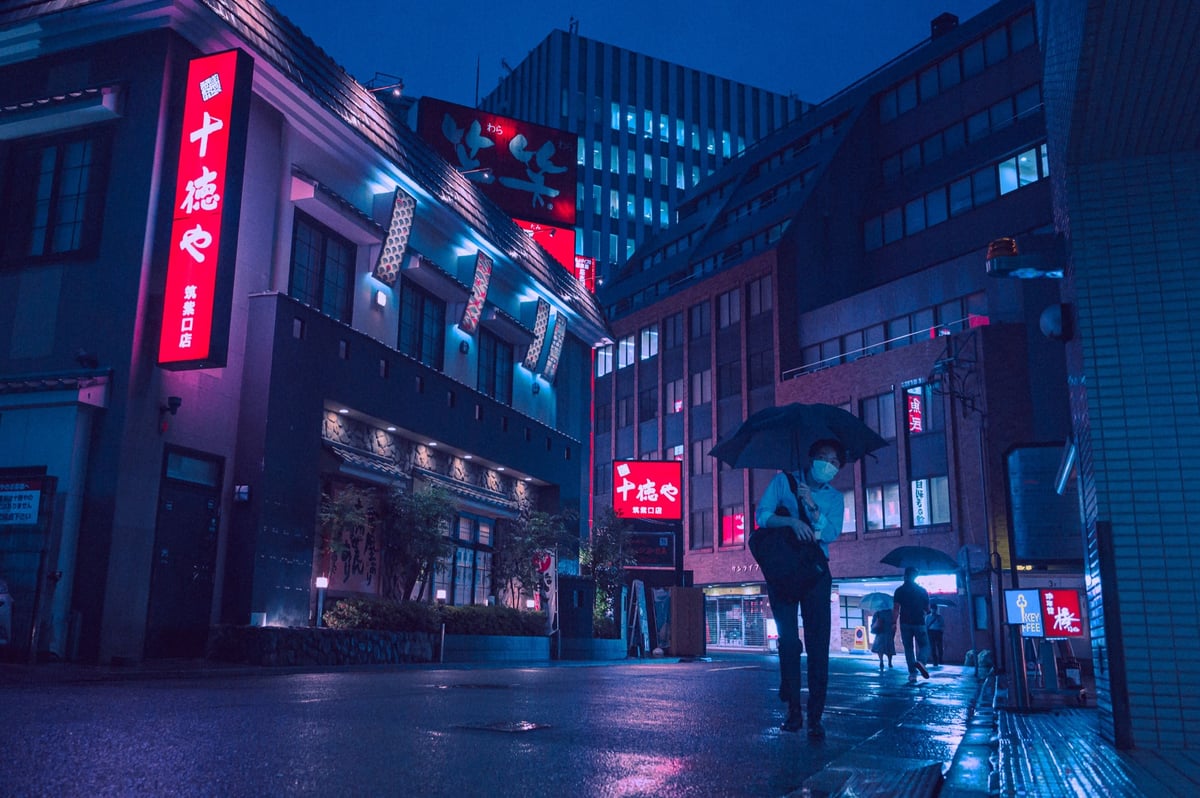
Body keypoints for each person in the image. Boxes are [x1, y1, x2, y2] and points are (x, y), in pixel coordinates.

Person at [755, 439, 845, 740]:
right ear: (810, 458)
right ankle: (793, 710)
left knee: (818, 644)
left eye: (834, 461)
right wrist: (792, 521)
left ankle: (816, 717)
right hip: (783, 569)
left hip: (815, 572)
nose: (827, 465)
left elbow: (830, 533)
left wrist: (811, 506)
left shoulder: (834, 498)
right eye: (823, 457)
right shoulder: (784, 481)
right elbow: (762, 516)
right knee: (790, 642)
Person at [893, 567, 931, 684]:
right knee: (924, 645)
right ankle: (921, 661)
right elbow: (927, 609)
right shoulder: (922, 590)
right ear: (915, 577)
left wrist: (893, 623)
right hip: (919, 622)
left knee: (908, 648)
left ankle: (912, 675)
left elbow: (896, 609)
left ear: (905, 576)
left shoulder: (899, 591)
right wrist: (926, 611)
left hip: (905, 622)